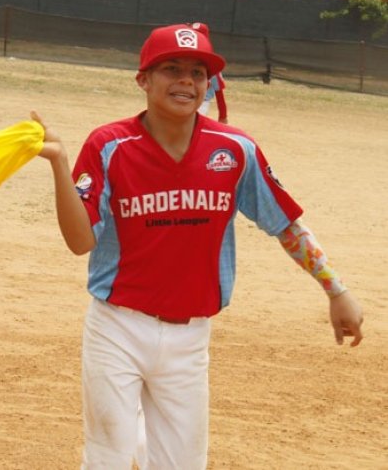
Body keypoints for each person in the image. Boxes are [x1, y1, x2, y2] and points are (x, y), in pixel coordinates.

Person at [32, 23, 364, 469]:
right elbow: (79, 242)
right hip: (117, 327)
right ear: (143, 80)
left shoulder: (235, 149)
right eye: (171, 69)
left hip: (190, 336)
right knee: (107, 457)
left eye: (197, 72)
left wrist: (336, 290)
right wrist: (59, 165)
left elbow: (286, 225)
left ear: (209, 85)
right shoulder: (110, 146)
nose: (186, 81)